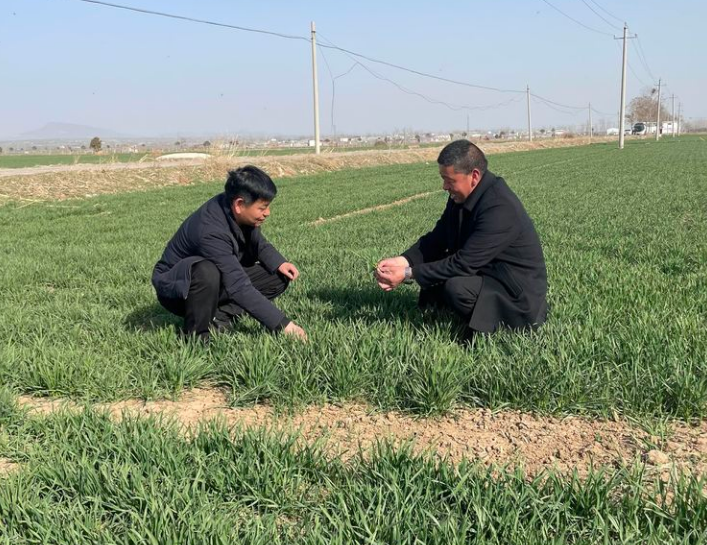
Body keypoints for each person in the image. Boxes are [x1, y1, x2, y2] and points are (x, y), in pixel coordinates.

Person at [375, 139, 547, 336]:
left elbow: (463, 264)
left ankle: (499, 328)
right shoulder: (461, 197)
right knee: (437, 267)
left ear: (474, 176)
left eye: (449, 180)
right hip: (488, 272)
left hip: (516, 293)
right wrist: (403, 260)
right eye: (443, 179)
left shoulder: (499, 207)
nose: (444, 186)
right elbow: (438, 238)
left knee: (456, 287)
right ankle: (447, 312)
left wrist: (407, 273)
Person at [152, 165, 307, 343]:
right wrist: (284, 325)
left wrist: (280, 263)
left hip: (213, 282)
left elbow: (257, 242)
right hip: (179, 288)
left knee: (278, 275)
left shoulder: (235, 208)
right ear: (239, 204)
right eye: (262, 207)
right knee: (206, 271)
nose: (267, 213)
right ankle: (196, 338)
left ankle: (219, 316)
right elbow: (238, 286)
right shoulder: (210, 230)